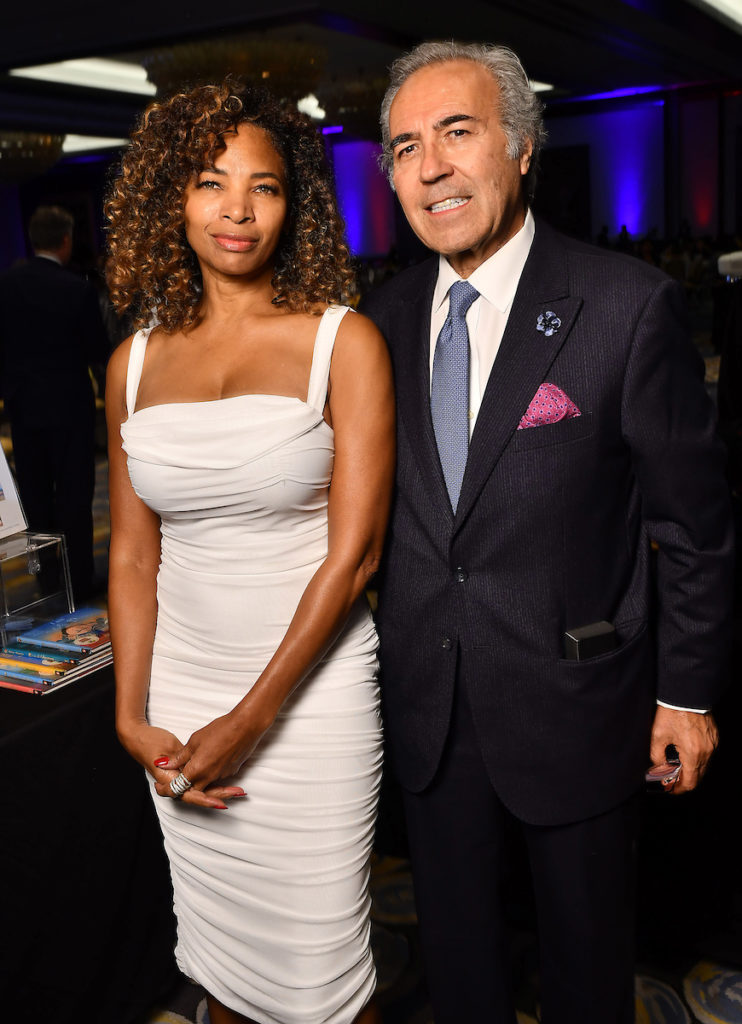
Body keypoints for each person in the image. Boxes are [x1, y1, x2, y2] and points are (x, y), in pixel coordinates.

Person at [360, 41, 734, 1024]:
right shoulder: (379, 320)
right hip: (429, 709)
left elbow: (692, 526)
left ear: (521, 147)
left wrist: (685, 693)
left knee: (584, 970)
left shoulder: (624, 305)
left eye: (457, 132)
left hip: (576, 700)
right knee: (459, 968)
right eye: (404, 145)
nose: (430, 166)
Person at [105, 81, 394, 1024]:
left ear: (293, 205)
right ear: (169, 198)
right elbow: (134, 556)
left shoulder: (342, 343)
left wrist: (252, 719)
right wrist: (129, 712)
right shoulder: (133, 363)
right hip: (183, 695)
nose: (237, 209)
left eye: (264, 187)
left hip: (309, 702)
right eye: (209, 181)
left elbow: (355, 559)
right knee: (222, 966)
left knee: (317, 973)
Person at [0, 205, 108, 601]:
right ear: (65, 240)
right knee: (75, 498)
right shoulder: (76, 289)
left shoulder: (6, 286)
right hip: (71, 408)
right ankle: (78, 581)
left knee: (35, 498)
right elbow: (97, 348)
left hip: (24, 410)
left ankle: (43, 579)